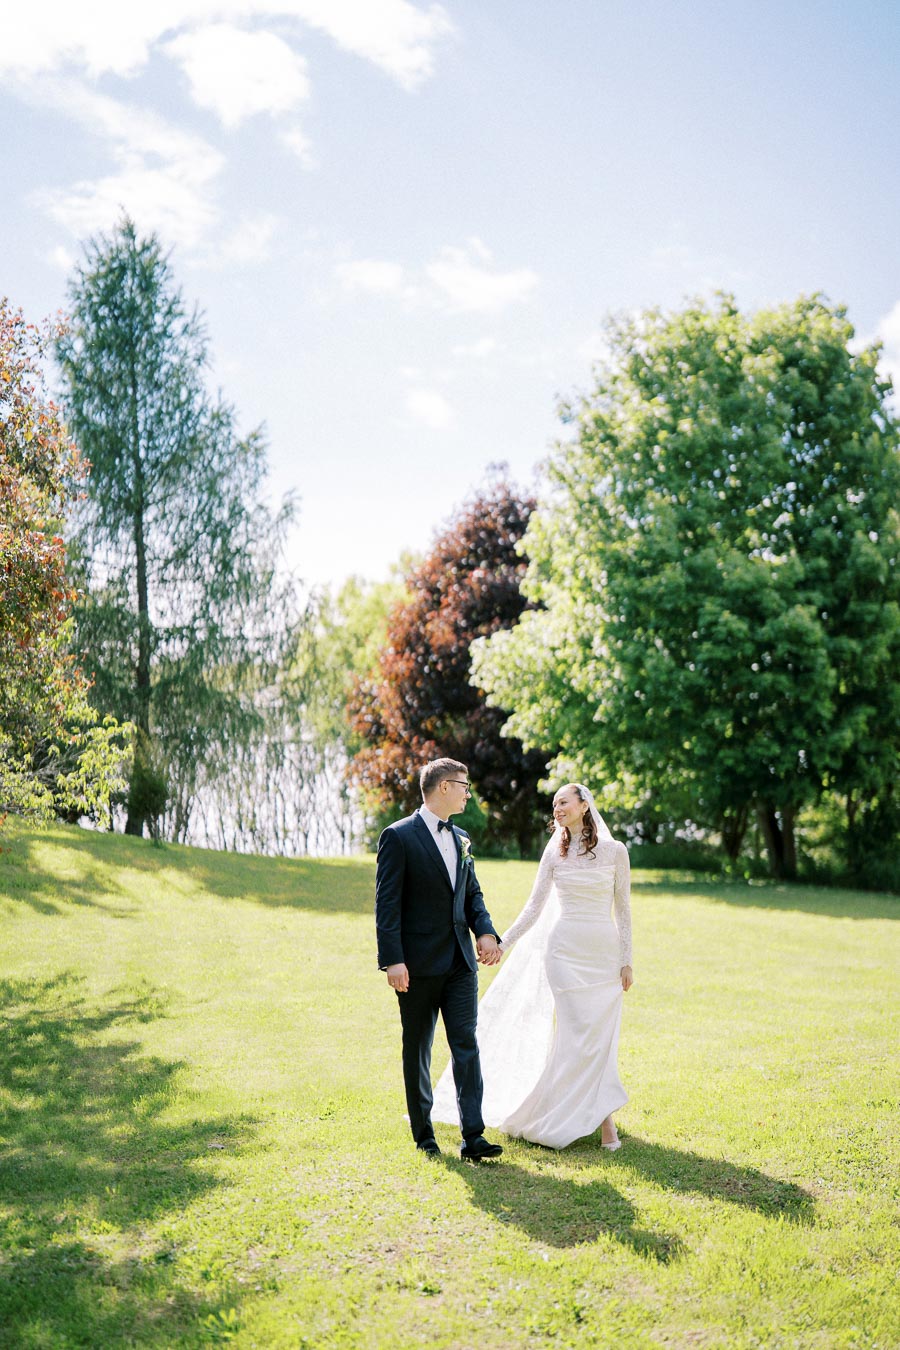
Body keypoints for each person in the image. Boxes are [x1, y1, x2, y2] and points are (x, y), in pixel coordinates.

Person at [432, 783, 633, 1150]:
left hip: (602, 956)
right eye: (553, 803)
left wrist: (626, 960)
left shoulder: (615, 851)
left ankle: (601, 1116)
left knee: (600, 1038)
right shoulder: (554, 854)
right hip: (564, 954)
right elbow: (533, 908)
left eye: (563, 802)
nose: (556, 808)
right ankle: (604, 1124)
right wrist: (502, 943)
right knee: (576, 1035)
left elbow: (624, 910)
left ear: (584, 805)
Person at [375, 757, 505, 1160]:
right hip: (415, 966)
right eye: (465, 786)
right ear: (444, 786)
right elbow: (387, 904)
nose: (469, 793)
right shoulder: (398, 837)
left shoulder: (462, 837)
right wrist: (393, 960)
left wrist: (485, 931)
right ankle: (424, 1134)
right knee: (418, 1048)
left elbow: (472, 895)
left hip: (460, 964)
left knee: (466, 1044)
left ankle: (474, 1136)